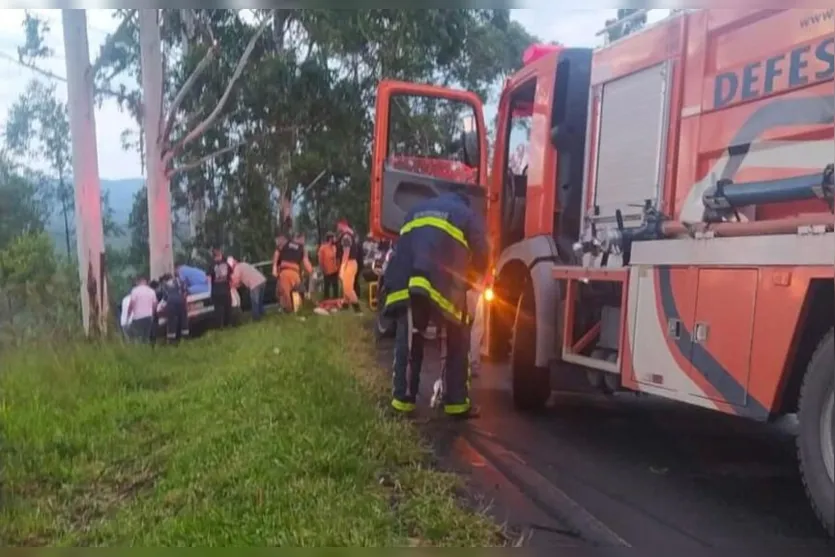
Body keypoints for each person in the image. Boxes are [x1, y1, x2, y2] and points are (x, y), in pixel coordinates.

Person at [381, 189, 488, 419]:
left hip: (406, 280)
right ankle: (456, 403)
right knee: (456, 338)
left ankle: (402, 402)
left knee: (410, 338)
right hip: (442, 283)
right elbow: (482, 251)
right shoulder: (467, 214)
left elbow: (401, 249)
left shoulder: (416, 210)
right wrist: (475, 275)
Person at [277, 233, 313, 312]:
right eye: (303, 239)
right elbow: (305, 261)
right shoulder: (302, 248)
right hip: (294, 272)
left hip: (283, 272)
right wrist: (311, 271)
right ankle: (298, 310)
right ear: (298, 238)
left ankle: (288, 311)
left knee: (285, 295)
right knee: (298, 292)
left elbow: (278, 257)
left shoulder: (285, 244)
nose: (303, 242)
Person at [336, 218, 362, 313]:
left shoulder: (346, 236)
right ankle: (345, 305)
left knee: (348, 288)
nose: (338, 228)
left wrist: (343, 266)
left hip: (349, 263)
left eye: (338, 225)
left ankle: (358, 309)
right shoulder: (351, 234)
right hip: (352, 262)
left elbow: (346, 252)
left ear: (342, 225)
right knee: (346, 285)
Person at [207, 248, 234, 328]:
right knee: (228, 308)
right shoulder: (226, 264)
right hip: (226, 290)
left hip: (216, 291)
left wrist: (210, 290)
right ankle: (228, 325)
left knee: (218, 310)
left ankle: (220, 326)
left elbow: (208, 278)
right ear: (220, 254)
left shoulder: (211, 265)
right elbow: (231, 275)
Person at [127, 276, 158, 343]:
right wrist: (152, 314)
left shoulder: (135, 291)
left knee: (138, 337)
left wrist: (128, 315)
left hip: (137, 317)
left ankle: (139, 350)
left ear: (138, 282)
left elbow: (131, 304)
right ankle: (146, 350)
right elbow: (155, 304)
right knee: (146, 336)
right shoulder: (151, 291)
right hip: (148, 317)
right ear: (146, 282)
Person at [160, 272, 189, 343]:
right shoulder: (179, 281)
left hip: (171, 305)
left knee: (171, 321)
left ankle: (171, 340)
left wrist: (162, 306)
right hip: (181, 303)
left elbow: (165, 297)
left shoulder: (164, 285)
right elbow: (185, 291)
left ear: (164, 280)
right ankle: (185, 338)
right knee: (183, 320)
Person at [318, 232, 339, 300]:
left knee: (335, 285)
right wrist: (323, 269)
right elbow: (320, 260)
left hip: (335, 270)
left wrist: (338, 267)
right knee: (327, 286)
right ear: (330, 239)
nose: (335, 239)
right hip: (326, 270)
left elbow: (337, 258)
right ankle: (326, 299)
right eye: (334, 238)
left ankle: (336, 299)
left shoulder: (334, 247)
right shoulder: (323, 248)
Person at [272, 234, 289, 303]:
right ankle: (283, 305)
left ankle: (285, 305)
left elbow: (275, 262)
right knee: (280, 291)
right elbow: (275, 262)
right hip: (281, 272)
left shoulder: (283, 250)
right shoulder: (278, 251)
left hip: (284, 272)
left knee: (282, 290)